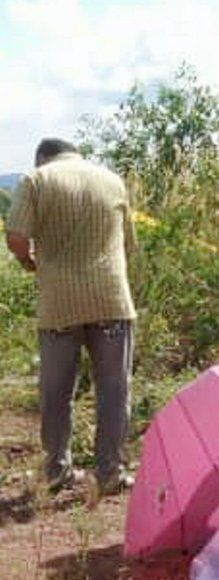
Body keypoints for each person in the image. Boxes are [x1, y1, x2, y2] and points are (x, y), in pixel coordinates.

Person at [4, 139, 137, 495]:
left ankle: (57, 471)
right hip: (110, 298)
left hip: (59, 301)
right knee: (113, 389)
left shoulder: (36, 179)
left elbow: (16, 237)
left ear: (42, 157)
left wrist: (29, 262)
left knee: (57, 392)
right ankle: (110, 472)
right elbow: (127, 242)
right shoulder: (111, 179)